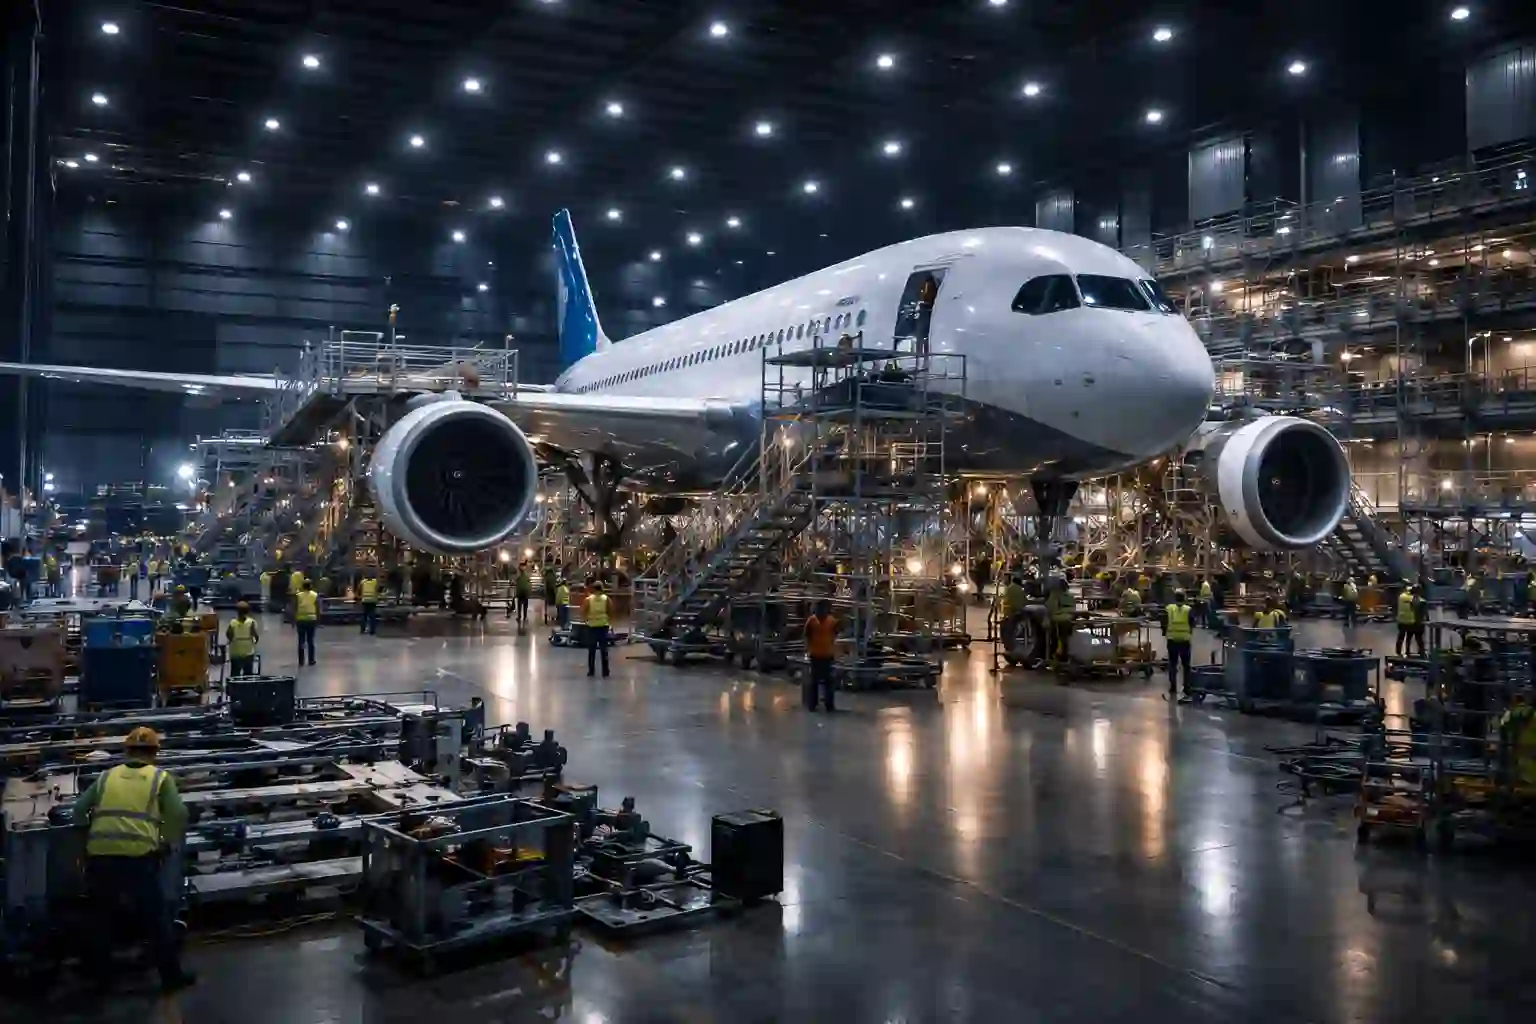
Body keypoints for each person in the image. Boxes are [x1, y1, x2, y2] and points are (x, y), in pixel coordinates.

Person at [73, 727, 196, 992]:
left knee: (101, 920)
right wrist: (164, 843)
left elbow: (78, 811)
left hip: (101, 858)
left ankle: (101, 980)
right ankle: (171, 977)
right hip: (139, 860)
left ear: (126, 751)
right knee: (156, 921)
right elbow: (179, 814)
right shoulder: (159, 778)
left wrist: (87, 842)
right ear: (155, 753)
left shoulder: (107, 777)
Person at [803, 599, 838, 712]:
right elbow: (806, 635)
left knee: (829, 682)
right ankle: (812, 704)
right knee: (814, 681)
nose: (820, 611)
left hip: (828, 655)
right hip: (815, 655)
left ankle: (829, 704)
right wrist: (807, 649)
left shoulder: (832, 621)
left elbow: (835, 635)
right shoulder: (811, 621)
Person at [1163, 589, 1193, 700]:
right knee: (1186, 666)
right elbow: (1192, 623)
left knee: (1172, 664)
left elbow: (1164, 622)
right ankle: (1187, 687)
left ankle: (1173, 686)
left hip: (1172, 639)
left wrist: (1165, 632)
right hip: (1184, 640)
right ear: (1184, 598)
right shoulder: (1188, 610)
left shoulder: (1169, 609)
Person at [583, 581, 611, 678]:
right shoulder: (607, 599)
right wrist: (608, 622)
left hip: (592, 627)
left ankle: (591, 671)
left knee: (591, 650)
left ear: (593, 589)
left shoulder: (588, 600)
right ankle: (605, 671)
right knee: (604, 650)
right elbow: (610, 611)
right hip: (603, 626)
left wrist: (586, 620)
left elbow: (583, 612)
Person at [226, 602, 259, 677]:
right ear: (248, 611)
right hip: (248, 652)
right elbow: (256, 636)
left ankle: (234, 688)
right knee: (248, 674)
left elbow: (228, 634)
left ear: (237, 612)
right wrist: (254, 642)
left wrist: (231, 640)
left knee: (235, 673)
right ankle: (246, 688)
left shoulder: (233, 623)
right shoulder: (251, 622)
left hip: (236, 652)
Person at [294, 578, 319, 667]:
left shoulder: (298, 595)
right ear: (311, 586)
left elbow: (295, 608)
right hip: (311, 619)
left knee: (301, 641)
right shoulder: (315, 595)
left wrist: (293, 620)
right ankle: (311, 660)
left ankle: (301, 661)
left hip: (300, 620)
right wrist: (319, 619)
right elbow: (318, 608)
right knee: (310, 641)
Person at [358, 570, 379, 636]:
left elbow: (359, 590)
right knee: (372, 616)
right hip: (372, 600)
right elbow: (378, 589)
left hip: (365, 600)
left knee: (364, 616)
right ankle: (372, 630)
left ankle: (362, 630)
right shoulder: (375, 582)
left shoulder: (362, 582)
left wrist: (359, 598)